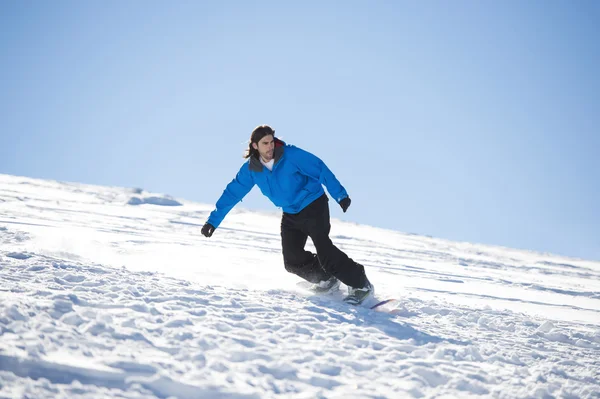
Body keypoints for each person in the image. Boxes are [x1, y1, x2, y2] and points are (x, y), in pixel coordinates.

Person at [201, 125, 373, 305]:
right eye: (265, 143)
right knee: (292, 260)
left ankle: (361, 284)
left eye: (271, 142)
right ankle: (327, 280)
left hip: (313, 204)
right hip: (291, 213)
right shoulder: (252, 169)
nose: (270, 147)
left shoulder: (290, 155)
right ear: (254, 146)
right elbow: (232, 193)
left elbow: (319, 168)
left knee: (324, 251)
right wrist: (213, 221)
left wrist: (340, 194)